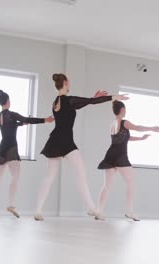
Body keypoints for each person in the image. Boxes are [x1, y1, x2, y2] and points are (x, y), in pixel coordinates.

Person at [34, 73, 128, 221]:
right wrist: (114, 97)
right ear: (65, 83)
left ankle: (38, 211)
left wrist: (93, 98)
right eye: (68, 82)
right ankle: (92, 209)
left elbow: (86, 102)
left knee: (50, 176)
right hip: (66, 143)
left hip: (54, 141)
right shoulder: (69, 100)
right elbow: (88, 102)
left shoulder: (55, 102)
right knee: (81, 174)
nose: (69, 84)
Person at [0, 90, 54, 218]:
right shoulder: (12, 114)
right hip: (11, 149)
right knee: (15, 177)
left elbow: (11, 126)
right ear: (8, 102)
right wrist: (45, 120)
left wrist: (21, 124)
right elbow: (27, 119)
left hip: (2, 149)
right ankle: (11, 204)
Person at [95, 101, 159, 221]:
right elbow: (137, 127)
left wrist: (141, 139)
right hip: (120, 156)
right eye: (125, 109)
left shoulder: (112, 124)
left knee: (107, 185)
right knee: (131, 182)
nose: (126, 111)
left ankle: (99, 211)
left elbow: (125, 138)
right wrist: (151, 128)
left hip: (111, 155)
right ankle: (129, 211)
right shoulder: (124, 122)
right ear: (121, 110)